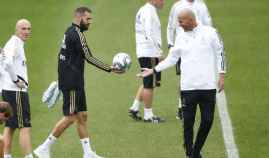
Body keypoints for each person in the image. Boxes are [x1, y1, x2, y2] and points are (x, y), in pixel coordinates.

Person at [34, 6, 122, 158]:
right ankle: (44, 147)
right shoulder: (77, 35)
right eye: (87, 19)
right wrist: (110, 68)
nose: (90, 22)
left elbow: (62, 57)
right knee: (71, 117)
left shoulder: (69, 31)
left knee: (82, 115)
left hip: (73, 81)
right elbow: (89, 57)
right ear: (79, 18)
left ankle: (88, 153)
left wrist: (61, 80)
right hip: (72, 83)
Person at [138, 9, 226, 158]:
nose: (179, 25)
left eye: (181, 21)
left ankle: (195, 151)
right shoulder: (180, 36)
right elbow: (172, 59)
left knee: (207, 121)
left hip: (208, 87)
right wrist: (153, 70)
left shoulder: (210, 33)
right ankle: (190, 154)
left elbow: (220, 53)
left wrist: (222, 74)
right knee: (188, 123)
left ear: (191, 20)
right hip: (188, 88)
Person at [167, 0, 213, 120]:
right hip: (183, 47)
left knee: (200, 74)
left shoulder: (201, 5)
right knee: (183, 77)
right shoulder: (177, 6)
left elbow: (208, 24)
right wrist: (170, 44)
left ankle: (201, 104)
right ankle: (181, 107)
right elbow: (171, 26)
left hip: (200, 47)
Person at [129, 0, 165, 123]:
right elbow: (149, 33)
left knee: (147, 80)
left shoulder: (145, 10)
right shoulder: (148, 11)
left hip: (145, 51)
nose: (163, 2)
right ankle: (148, 115)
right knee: (149, 84)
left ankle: (134, 107)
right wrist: (158, 52)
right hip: (149, 52)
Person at [1, 19, 33, 158]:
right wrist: (16, 80)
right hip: (16, 92)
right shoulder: (14, 43)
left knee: (10, 126)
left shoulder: (13, 43)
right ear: (17, 30)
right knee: (24, 127)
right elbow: (7, 63)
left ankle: (6, 156)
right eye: (23, 29)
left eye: (28, 29)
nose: (26, 32)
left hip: (9, 90)